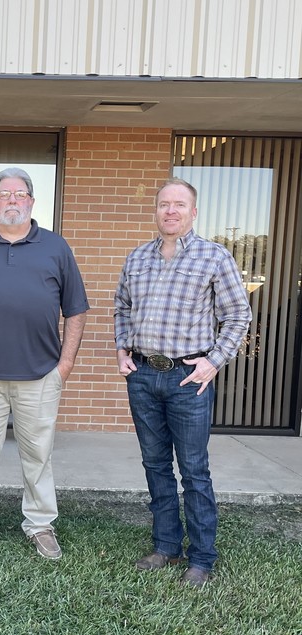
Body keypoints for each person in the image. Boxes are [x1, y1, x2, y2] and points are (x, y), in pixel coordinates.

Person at [114, 177, 252, 588]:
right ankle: (166, 545)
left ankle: (202, 557)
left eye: (179, 204)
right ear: (155, 211)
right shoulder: (137, 258)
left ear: (193, 212)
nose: (170, 210)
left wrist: (212, 362)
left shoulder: (214, 257)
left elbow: (238, 315)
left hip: (188, 377)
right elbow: (121, 306)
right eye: (163, 204)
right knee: (155, 464)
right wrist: (122, 351)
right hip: (141, 376)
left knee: (193, 470)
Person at [0, 167, 89, 559]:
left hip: (41, 374)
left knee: (38, 454)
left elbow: (76, 310)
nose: (12, 200)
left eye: (20, 193)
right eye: (4, 194)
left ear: (31, 201)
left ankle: (40, 523)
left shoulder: (56, 248)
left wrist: (64, 365)